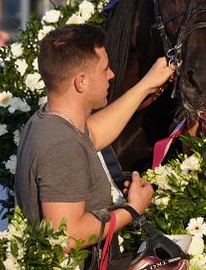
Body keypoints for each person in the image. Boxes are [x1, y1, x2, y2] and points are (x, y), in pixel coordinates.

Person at [14, 24, 174, 259]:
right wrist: (131, 209)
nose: (112, 75)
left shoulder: (47, 122)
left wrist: (146, 85)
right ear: (81, 82)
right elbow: (66, 235)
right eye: (105, 69)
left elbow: (94, 135)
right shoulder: (62, 145)